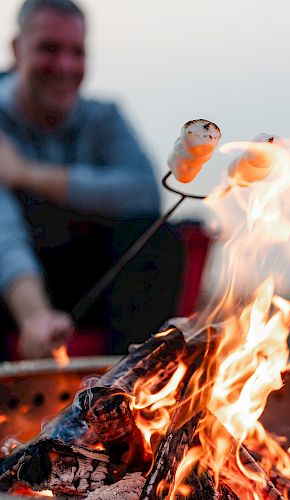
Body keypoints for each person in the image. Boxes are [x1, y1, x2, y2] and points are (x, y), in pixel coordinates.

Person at [0, 0, 183, 359]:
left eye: (77, 52)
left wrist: (27, 174)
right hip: (12, 290)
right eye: (49, 49)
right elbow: (3, 231)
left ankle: (127, 392)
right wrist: (35, 316)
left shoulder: (104, 118)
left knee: (154, 236)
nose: (65, 66)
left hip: (89, 279)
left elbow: (143, 193)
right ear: (17, 50)